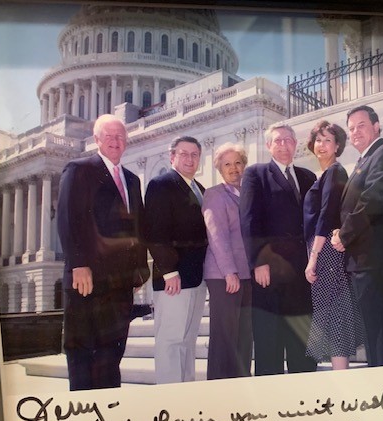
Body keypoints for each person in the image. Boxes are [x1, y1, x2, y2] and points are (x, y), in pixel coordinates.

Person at [57, 114, 149, 391]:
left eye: (120, 137)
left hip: (120, 284)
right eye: (108, 136)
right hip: (88, 279)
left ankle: (111, 414)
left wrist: (139, 273)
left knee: (112, 354)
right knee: (84, 352)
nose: (115, 141)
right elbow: (68, 218)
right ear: (96, 140)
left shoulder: (132, 180)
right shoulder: (79, 169)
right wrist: (78, 264)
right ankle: (84, 419)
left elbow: (138, 228)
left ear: (127, 142)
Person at [239, 122, 317, 375]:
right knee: (269, 342)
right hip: (269, 272)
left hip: (301, 274)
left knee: (302, 340)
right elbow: (249, 219)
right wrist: (258, 261)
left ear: (296, 144)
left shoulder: (308, 177)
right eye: (278, 140)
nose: (284, 145)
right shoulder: (255, 174)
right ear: (268, 146)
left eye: (288, 140)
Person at [331, 105, 383, 367]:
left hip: (373, 260)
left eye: (361, 125)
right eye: (351, 128)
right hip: (361, 261)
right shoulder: (364, 160)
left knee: (380, 332)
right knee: (373, 333)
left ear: (376, 126)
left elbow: (372, 200)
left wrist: (344, 235)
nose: (355, 132)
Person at [145, 136, 209, 384]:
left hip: (195, 276)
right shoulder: (161, 184)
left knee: (187, 341)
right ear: (172, 157)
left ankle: (187, 394)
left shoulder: (199, 189)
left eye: (194, 154)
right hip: (173, 278)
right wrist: (169, 271)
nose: (190, 159)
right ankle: (170, 400)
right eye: (184, 154)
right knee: (171, 340)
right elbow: (154, 231)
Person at [303, 120, 366, 370]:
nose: (321, 145)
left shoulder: (334, 172)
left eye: (328, 140)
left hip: (327, 252)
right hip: (325, 250)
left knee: (336, 315)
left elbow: (327, 215)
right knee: (332, 314)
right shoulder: (327, 173)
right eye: (318, 140)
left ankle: (341, 378)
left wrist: (313, 256)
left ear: (338, 145)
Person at [202, 143, 253, 379]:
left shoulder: (248, 194)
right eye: (227, 164)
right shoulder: (214, 194)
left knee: (244, 336)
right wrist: (229, 272)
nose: (233, 168)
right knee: (224, 337)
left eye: (237, 163)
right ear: (220, 169)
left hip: (247, 275)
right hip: (224, 276)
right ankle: (219, 389)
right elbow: (216, 235)